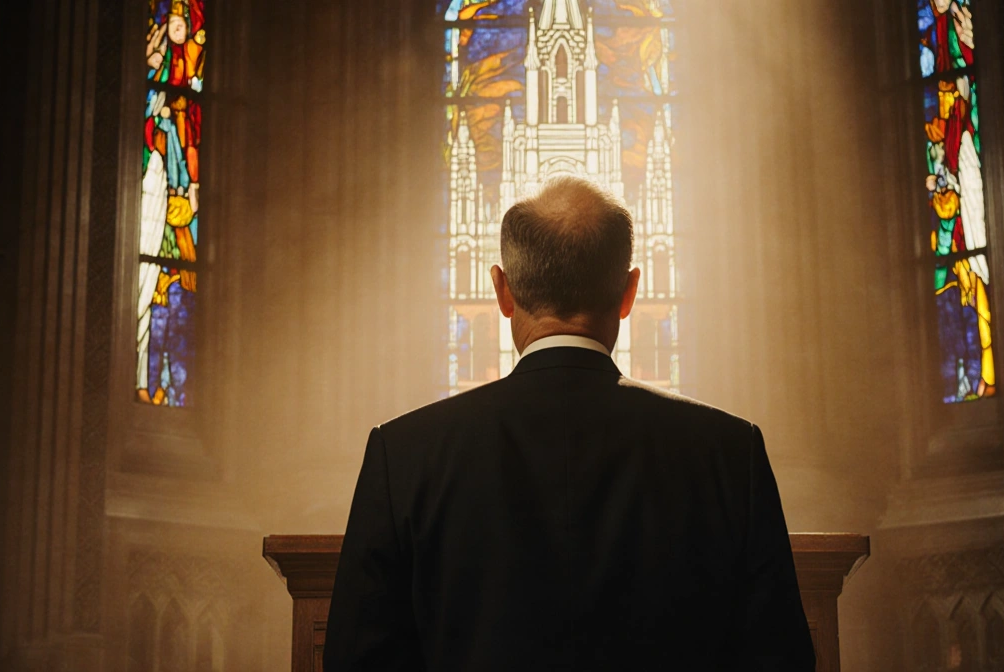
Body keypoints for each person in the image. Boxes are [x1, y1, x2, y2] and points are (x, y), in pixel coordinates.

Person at [323, 176, 815, 671]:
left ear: (502, 291)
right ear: (629, 293)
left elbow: (358, 660)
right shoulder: (730, 453)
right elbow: (780, 657)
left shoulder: (404, 454)